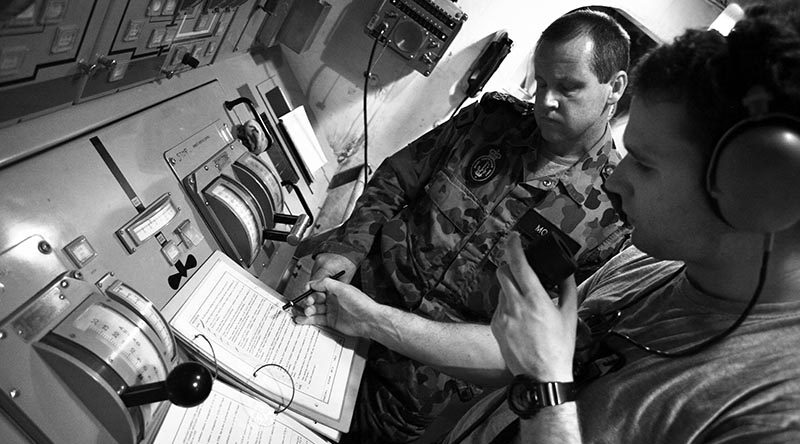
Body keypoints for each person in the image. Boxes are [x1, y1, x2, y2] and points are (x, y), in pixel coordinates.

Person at [441, 3, 800, 443]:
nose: (618, 181)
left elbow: (542, 376)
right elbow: (523, 357)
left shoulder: (774, 414)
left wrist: (544, 388)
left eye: (646, 166)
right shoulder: (643, 262)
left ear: (756, 194)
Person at [297, 10, 631, 443]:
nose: (545, 102)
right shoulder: (491, 121)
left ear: (614, 88)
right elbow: (398, 177)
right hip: (340, 320)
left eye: (567, 88)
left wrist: (376, 322)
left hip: (409, 404)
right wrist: (349, 248)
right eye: (541, 83)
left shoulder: (612, 219)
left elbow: (532, 351)